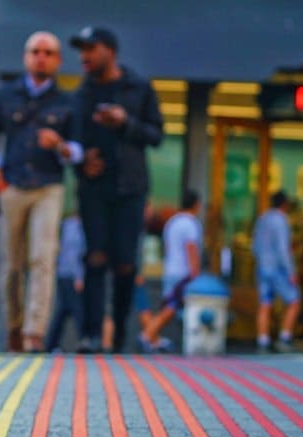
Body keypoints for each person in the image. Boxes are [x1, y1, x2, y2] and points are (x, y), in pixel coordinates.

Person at [0, 32, 83, 352]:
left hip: (48, 187)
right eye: (35, 51)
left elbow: (78, 151)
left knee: (43, 259)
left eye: (48, 52)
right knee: (13, 263)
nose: (41, 57)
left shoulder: (67, 101)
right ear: (26, 57)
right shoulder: (6, 94)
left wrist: (61, 146)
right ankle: (14, 325)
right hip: (12, 186)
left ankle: (34, 331)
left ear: (58, 60)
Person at [69, 26, 163, 353]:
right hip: (93, 188)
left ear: (110, 50)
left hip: (130, 187)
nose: (84, 56)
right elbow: (72, 144)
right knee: (94, 259)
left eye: (90, 49)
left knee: (125, 263)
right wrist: (80, 163)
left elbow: (156, 135)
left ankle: (120, 333)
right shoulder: (81, 94)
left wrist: (125, 122)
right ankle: (91, 335)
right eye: (81, 50)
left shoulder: (138, 87)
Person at [139, 190, 203, 352]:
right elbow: (191, 248)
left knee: (170, 305)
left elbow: (166, 247)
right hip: (183, 272)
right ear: (196, 205)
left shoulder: (172, 222)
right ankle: (148, 334)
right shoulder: (190, 223)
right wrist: (195, 272)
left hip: (169, 269)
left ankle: (152, 336)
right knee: (172, 306)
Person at [253, 190, 301, 353]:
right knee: (294, 301)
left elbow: (255, 246)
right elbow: (283, 249)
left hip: (262, 267)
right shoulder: (281, 220)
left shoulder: (262, 218)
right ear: (285, 204)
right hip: (277, 268)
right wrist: (291, 272)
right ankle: (285, 338)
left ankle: (263, 339)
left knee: (265, 304)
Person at [45, 213, 85, 353]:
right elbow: (72, 253)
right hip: (70, 275)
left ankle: (51, 344)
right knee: (77, 309)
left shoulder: (67, 224)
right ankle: (83, 340)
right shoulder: (75, 226)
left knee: (64, 310)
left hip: (63, 273)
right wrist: (79, 277)